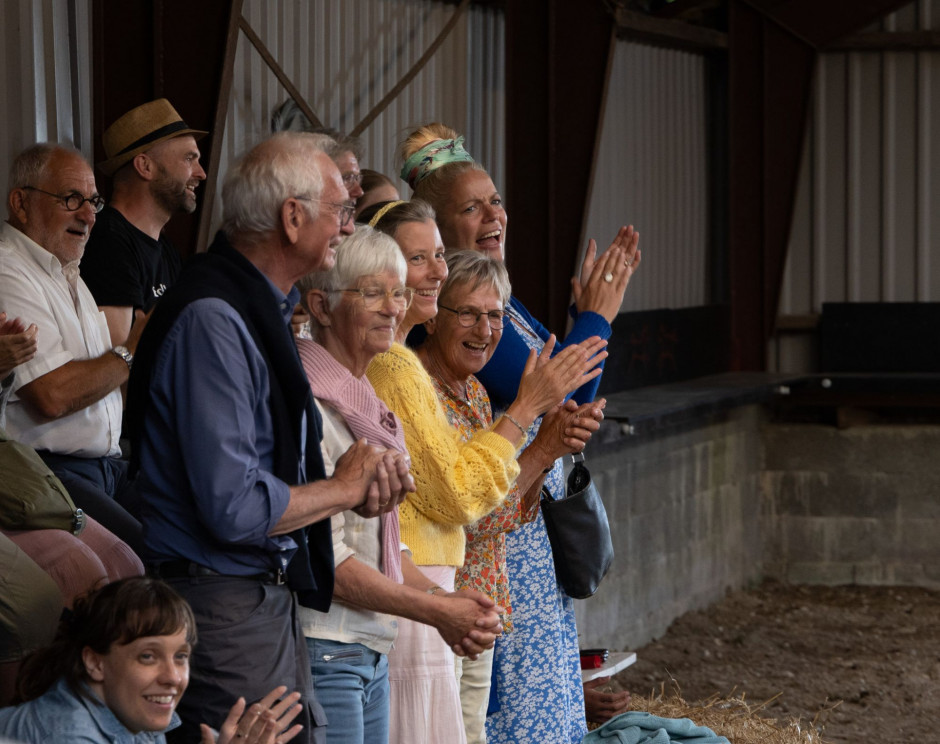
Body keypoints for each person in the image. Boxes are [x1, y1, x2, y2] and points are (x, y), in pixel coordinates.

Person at [126, 132, 412, 744]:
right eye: (339, 210)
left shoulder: (258, 308)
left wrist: (349, 489)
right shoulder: (215, 320)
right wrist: (340, 489)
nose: (346, 225)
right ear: (292, 217)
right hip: (219, 603)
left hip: (254, 600)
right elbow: (233, 508)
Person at [399, 124, 640, 741]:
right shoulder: (454, 315)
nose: (492, 214)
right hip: (495, 533)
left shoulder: (498, 294)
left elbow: (563, 397)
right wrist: (598, 317)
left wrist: (584, 321)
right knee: (510, 709)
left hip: (519, 514)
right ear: (434, 231)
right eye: (470, 206)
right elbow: (567, 397)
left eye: (495, 199)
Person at [365, 199, 607, 744]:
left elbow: (497, 512)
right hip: (432, 596)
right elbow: (464, 506)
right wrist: (533, 431)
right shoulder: (406, 373)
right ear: (433, 316)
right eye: (468, 314)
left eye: (496, 315)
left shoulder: (473, 391)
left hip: (476, 605)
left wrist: (547, 445)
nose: (485, 329)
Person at [294, 227, 503, 743]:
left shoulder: (365, 402)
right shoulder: (308, 403)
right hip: (326, 643)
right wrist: (435, 608)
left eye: (398, 293)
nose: (393, 308)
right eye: (372, 293)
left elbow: (383, 548)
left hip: (369, 644)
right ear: (320, 306)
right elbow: (329, 559)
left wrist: (443, 597)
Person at [0, 143, 146, 554]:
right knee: (143, 556)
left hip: (107, 467)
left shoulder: (68, 273)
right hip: (50, 471)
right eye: (71, 199)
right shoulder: (8, 270)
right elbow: (52, 394)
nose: (88, 215)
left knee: (188, 527)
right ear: (21, 203)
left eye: (93, 201)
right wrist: (132, 349)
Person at [0, 577, 304, 744]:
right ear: (95, 662)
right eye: (148, 656)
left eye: (181, 656)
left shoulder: (129, 710)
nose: (172, 676)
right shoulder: (70, 735)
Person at [83, 99, 207, 346]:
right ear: (145, 166)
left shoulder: (165, 250)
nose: (201, 173)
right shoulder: (107, 242)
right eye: (189, 159)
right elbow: (120, 367)